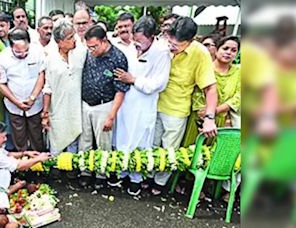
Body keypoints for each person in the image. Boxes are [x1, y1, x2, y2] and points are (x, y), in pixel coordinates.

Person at [153, 16, 218, 195]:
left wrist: (210, 118)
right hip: (152, 105)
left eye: (178, 45)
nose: (172, 47)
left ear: (191, 41)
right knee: (151, 145)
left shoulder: (200, 53)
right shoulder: (160, 44)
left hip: (176, 109)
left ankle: (159, 183)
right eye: (171, 41)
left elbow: (211, 89)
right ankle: (146, 177)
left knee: (168, 150)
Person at [113, 16, 171, 196]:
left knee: (140, 141)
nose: (136, 45)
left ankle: (136, 179)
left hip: (144, 104)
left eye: (140, 42)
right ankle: (122, 172)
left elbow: (158, 84)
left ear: (152, 37)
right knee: (122, 137)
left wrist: (134, 79)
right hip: (126, 102)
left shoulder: (162, 52)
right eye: (134, 40)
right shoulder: (130, 47)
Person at [79, 25, 130, 188]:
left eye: (94, 46)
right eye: (89, 47)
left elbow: (121, 90)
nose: (91, 50)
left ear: (104, 41)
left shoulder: (118, 58)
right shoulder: (88, 52)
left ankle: (102, 173)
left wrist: (111, 116)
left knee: (103, 143)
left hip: (105, 105)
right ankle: (85, 171)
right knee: (85, 141)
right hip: (85, 103)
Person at [0, 121, 51, 212]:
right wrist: (39, 159)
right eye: (3, 137)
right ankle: (9, 192)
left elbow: (7, 154)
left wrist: (25, 153)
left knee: (4, 170)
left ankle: (1, 195)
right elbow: (18, 166)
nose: (5, 139)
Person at [182, 36, 241, 147]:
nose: (229, 53)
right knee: (191, 151)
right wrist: (205, 116)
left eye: (234, 50)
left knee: (214, 155)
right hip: (199, 119)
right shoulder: (205, 68)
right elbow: (197, 92)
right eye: (225, 48)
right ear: (217, 49)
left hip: (221, 120)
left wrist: (216, 111)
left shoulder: (238, 72)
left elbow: (238, 97)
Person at [0, 28, 46, 152]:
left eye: (26, 51)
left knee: (37, 135)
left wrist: (32, 97)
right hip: (14, 105)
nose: (23, 54)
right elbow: (1, 84)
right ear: (11, 46)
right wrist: (17, 102)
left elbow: (42, 75)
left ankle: (39, 164)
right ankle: (22, 163)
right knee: (19, 136)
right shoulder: (3, 57)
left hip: (35, 103)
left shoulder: (37, 52)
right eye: (18, 52)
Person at [41, 19, 87, 155]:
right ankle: (56, 172)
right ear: (59, 42)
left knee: (74, 140)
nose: (75, 40)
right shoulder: (50, 59)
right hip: (58, 107)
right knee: (57, 141)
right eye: (70, 37)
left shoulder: (81, 53)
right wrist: (45, 113)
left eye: (74, 35)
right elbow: (47, 86)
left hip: (76, 107)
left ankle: (71, 171)